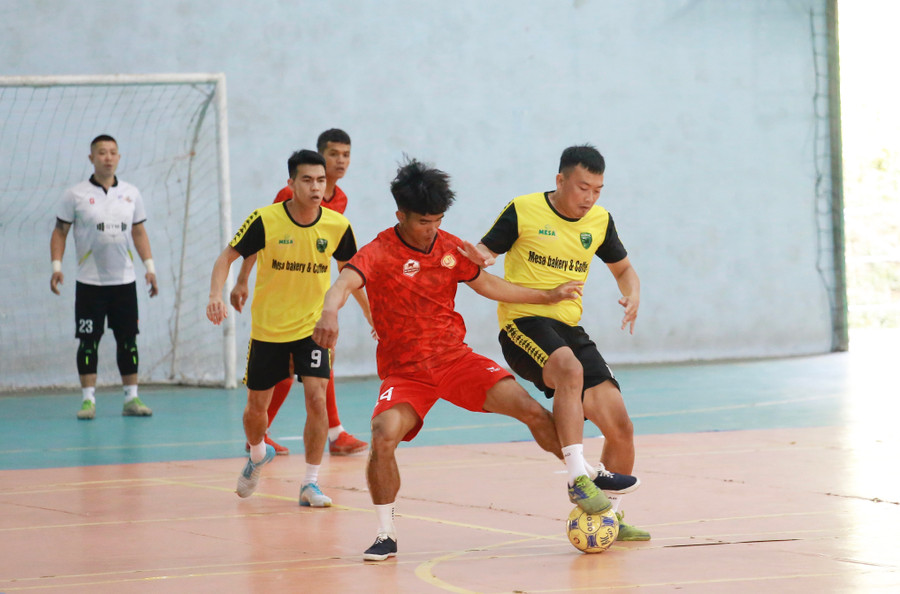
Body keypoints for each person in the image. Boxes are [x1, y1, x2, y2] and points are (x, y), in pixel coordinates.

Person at [313, 158, 635, 562]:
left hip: (455, 361)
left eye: (437, 220)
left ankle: (585, 474)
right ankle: (385, 531)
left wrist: (546, 297)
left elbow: (490, 285)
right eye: (422, 222)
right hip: (407, 372)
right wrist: (329, 312)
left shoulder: (450, 247)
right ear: (401, 216)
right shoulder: (378, 252)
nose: (431, 230)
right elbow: (344, 282)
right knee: (382, 433)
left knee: (533, 412)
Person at [462, 144, 650, 541]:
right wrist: (478, 256)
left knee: (621, 426)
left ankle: (609, 519)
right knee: (569, 368)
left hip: (569, 329)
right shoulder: (523, 209)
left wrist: (633, 293)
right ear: (560, 180)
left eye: (598, 190)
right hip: (523, 323)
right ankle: (577, 475)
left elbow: (624, 269)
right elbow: (484, 251)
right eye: (583, 187)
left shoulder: (599, 221)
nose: (590, 197)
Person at [207, 149, 364, 505]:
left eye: (320, 180)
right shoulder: (265, 220)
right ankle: (258, 452)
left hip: (312, 329)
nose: (315, 187)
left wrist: (374, 318)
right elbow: (226, 257)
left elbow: (353, 276)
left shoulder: (338, 226)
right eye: (307, 180)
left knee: (316, 399)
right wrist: (217, 293)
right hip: (269, 330)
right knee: (255, 410)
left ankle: (310, 483)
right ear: (290, 183)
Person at [230, 129, 371, 457]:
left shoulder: (340, 200)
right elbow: (263, 237)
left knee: (318, 366)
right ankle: (262, 434)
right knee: (287, 372)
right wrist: (242, 280)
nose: (341, 161)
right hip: (280, 300)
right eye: (334, 154)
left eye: (346, 155)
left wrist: (366, 306)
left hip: (313, 299)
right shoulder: (288, 193)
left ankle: (332, 433)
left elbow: (341, 257)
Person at [50, 134, 157, 420]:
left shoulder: (132, 193)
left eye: (112, 152)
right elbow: (60, 231)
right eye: (101, 152)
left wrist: (150, 268)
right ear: (91, 158)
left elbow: (138, 231)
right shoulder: (75, 194)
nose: (107, 157)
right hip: (90, 285)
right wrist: (57, 267)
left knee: (128, 341)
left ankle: (131, 399)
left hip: (124, 284)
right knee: (88, 342)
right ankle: (88, 401)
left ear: (118, 157)